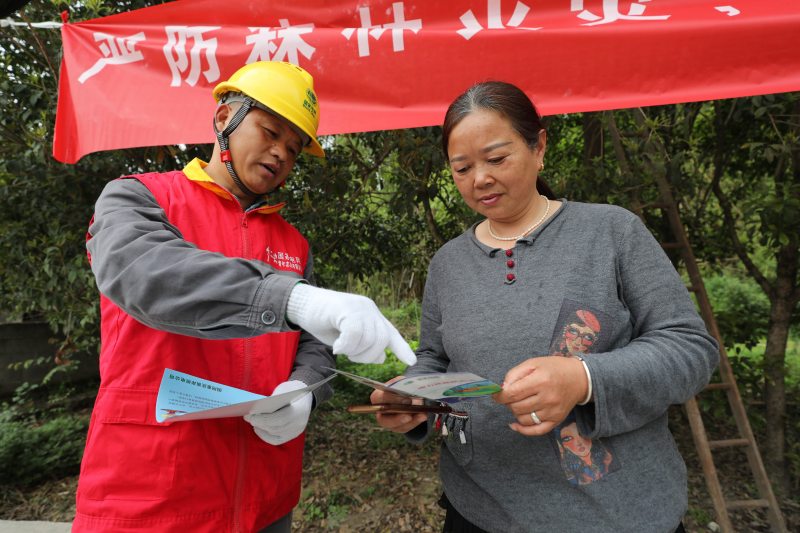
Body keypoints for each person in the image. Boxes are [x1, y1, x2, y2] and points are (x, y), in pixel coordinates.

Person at [73, 61, 416, 533]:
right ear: (223, 120)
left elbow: (313, 344)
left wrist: (306, 391)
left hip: (266, 498)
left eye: (293, 149)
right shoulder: (138, 198)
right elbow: (145, 273)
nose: (280, 154)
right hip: (152, 495)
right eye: (270, 132)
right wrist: (293, 300)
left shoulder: (294, 243)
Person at [369, 81, 719, 532]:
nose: (480, 179)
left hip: (615, 512)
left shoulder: (611, 232)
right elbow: (436, 358)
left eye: (497, 158)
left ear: (539, 147)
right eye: (462, 168)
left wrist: (584, 379)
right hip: (479, 508)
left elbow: (690, 349)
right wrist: (415, 395)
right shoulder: (448, 264)